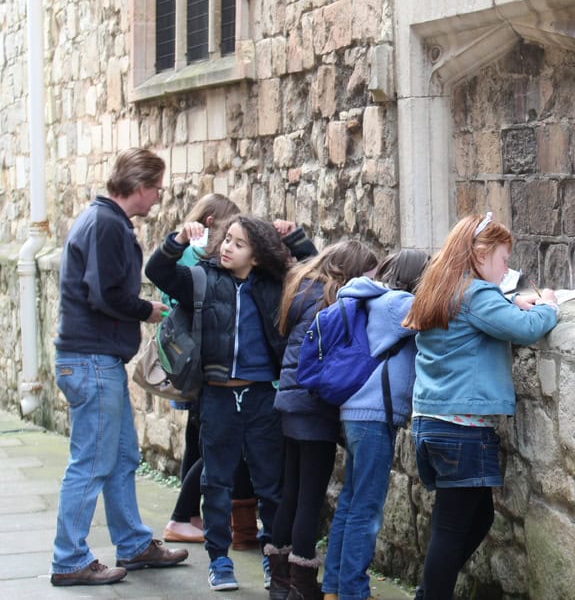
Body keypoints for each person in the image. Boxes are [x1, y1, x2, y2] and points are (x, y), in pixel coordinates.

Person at [146, 214, 317, 592]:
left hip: (261, 397)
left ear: (256, 257)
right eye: (226, 240)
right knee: (217, 482)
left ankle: (274, 557)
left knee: (271, 485)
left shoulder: (276, 285)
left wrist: (297, 239)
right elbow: (158, 270)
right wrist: (177, 240)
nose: (226, 248)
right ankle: (219, 560)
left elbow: (317, 276)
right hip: (218, 395)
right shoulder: (203, 280)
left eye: (238, 244)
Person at [50, 147, 189, 586]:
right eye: (157, 190)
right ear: (141, 186)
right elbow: (105, 294)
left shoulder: (104, 220)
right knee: (91, 461)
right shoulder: (107, 224)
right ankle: (69, 559)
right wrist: (146, 309)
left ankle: (133, 543)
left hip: (94, 360)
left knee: (123, 456)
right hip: (89, 360)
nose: (158, 199)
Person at [404, 213, 559, 600]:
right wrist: (549, 307)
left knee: (474, 517)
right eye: (505, 260)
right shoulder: (477, 294)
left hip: (430, 422)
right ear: (481, 253)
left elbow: (485, 319)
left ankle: (431, 589)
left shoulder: (440, 288)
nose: (507, 269)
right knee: (453, 526)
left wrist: (511, 301)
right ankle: (431, 594)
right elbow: (524, 328)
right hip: (462, 429)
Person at [267, 240, 379, 600]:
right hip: (316, 408)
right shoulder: (331, 303)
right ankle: (301, 585)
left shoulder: (300, 290)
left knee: (291, 493)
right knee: (310, 498)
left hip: (290, 402)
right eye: (368, 276)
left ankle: (280, 583)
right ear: (351, 272)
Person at [322, 249, 431, 600]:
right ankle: (353, 591)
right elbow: (443, 313)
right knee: (366, 508)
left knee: (352, 501)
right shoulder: (398, 303)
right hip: (372, 417)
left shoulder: (379, 301)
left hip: (359, 414)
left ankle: (334, 588)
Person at [161, 193, 242, 545]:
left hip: (188, 360)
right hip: (203, 361)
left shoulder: (188, 253)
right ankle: (182, 516)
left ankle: (189, 514)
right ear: (212, 223)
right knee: (206, 444)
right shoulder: (201, 257)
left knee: (195, 441)